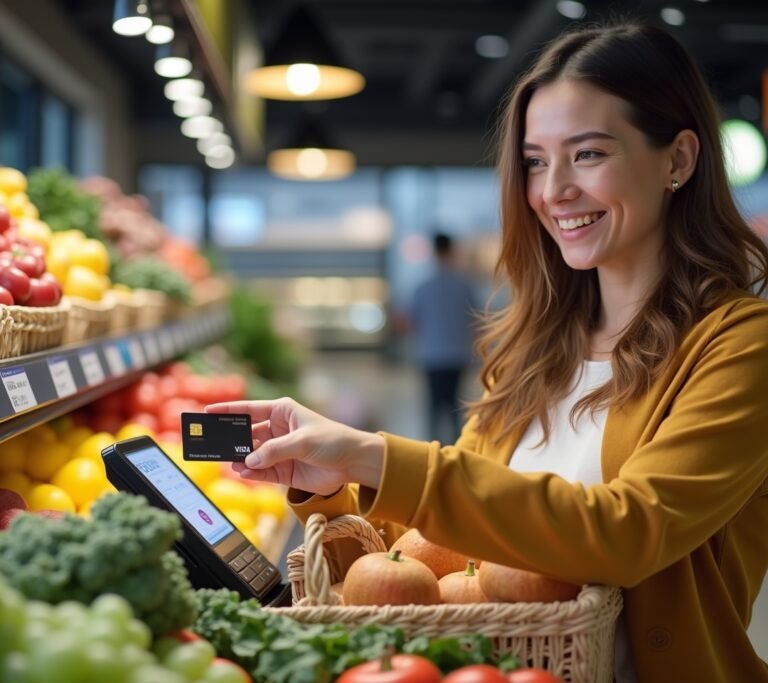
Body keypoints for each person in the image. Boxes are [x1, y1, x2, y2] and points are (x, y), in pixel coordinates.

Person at [207, 21, 768, 683]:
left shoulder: (740, 346)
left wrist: (375, 452)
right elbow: (439, 552)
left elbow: (629, 531)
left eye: (587, 154)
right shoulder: (538, 348)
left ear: (677, 159)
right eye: (536, 160)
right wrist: (329, 488)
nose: (553, 188)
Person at [408, 232, 478, 442]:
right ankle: (456, 449)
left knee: (434, 406)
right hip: (458, 354)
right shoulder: (464, 286)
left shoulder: (423, 287)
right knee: (456, 405)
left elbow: (413, 322)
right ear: (452, 250)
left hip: (432, 355)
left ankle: (432, 450)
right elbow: (476, 321)